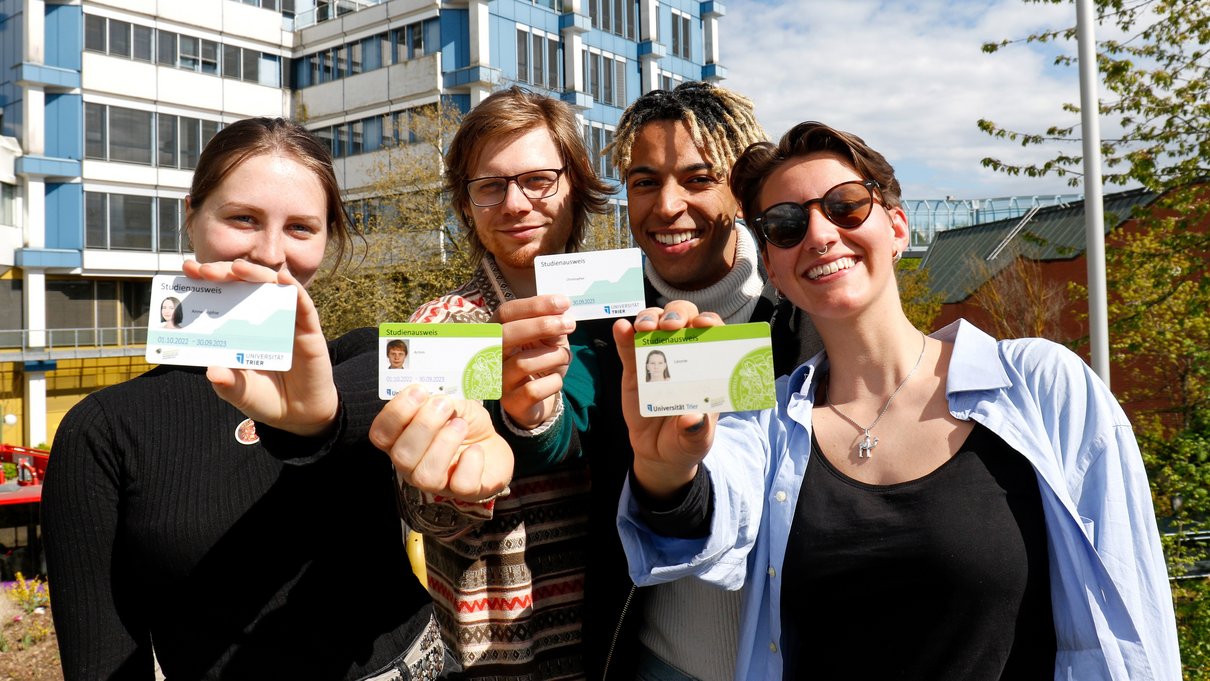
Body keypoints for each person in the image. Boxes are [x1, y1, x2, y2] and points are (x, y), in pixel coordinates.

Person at [611, 121, 1182, 680]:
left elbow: (1131, 614)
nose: (818, 233)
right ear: (776, 271)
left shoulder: (1041, 385)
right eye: (785, 225)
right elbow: (704, 523)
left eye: (846, 205)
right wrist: (666, 470)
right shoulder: (767, 420)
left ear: (898, 227)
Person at [42, 117, 512, 680]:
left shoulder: (366, 358)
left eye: (300, 228)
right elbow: (103, 664)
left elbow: (450, 385)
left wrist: (490, 446)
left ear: (328, 238)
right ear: (191, 215)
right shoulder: (103, 431)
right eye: (243, 218)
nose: (269, 253)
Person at [594, 81, 822, 681]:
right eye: (645, 182)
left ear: (742, 190)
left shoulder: (812, 308)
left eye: (698, 179)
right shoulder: (603, 325)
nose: (668, 206)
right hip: (652, 661)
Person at [399, 86, 612, 678]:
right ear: (466, 206)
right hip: (500, 663)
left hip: (625, 645)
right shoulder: (436, 329)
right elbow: (426, 518)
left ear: (576, 183)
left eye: (539, 179)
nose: (516, 203)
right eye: (490, 186)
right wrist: (451, 481)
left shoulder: (626, 318)